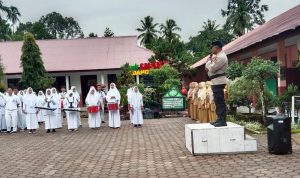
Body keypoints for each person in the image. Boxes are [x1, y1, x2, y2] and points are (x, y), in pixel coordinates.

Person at [205, 40, 228, 127]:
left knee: (220, 100)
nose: (211, 49)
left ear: (217, 47)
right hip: (215, 81)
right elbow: (208, 68)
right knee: (217, 101)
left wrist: (209, 62)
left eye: (212, 47)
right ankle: (219, 118)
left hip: (219, 81)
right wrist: (209, 63)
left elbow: (212, 68)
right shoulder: (217, 56)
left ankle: (222, 120)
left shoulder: (221, 57)